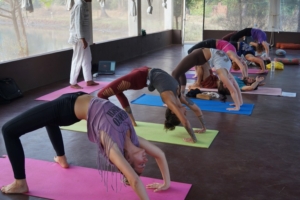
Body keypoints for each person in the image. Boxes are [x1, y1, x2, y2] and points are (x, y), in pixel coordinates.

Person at [1, 92, 170, 199]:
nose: (145, 160)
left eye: (140, 164)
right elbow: (160, 155)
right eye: (144, 164)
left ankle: (20, 182)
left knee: (8, 130)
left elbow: (133, 180)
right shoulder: (133, 138)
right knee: (48, 119)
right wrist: (166, 183)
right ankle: (61, 158)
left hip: (66, 108)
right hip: (79, 98)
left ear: (127, 159)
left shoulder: (110, 142)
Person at [97, 67, 206, 143]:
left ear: (174, 111)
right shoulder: (179, 96)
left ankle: (110, 122)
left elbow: (185, 121)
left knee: (101, 94)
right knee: (117, 91)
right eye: (185, 114)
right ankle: (132, 122)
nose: (186, 113)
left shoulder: (169, 101)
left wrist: (193, 138)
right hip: (143, 72)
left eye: (183, 114)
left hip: (138, 78)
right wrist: (203, 127)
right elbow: (195, 108)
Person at [172, 48, 243, 111]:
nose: (230, 83)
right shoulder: (226, 74)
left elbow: (233, 89)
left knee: (175, 73)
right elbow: (235, 88)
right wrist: (239, 103)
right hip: (200, 55)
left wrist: (237, 106)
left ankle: (177, 99)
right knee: (179, 72)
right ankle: (181, 96)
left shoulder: (224, 71)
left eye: (228, 84)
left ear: (224, 85)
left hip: (199, 55)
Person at [68, 0, 98, 89]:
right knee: (77, 59)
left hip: (84, 38)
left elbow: (84, 24)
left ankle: (88, 80)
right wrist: (82, 39)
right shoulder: (80, 5)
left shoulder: (83, 4)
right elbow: (78, 24)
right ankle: (73, 82)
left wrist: (87, 40)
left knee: (87, 58)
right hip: (79, 38)